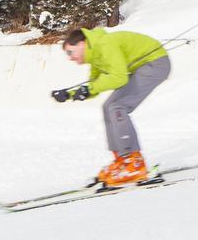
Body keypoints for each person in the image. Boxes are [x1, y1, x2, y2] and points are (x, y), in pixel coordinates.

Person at [53, 26, 171, 186]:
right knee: (108, 106)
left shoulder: (105, 44)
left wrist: (89, 89)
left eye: (70, 52)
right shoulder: (95, 56)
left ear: (82, 43)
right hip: (143, 66)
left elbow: (119, 78)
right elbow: (93, 85)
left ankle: (133, 163)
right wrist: (70, 94)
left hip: (155, 63)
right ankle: (122, 160)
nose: (70, 58)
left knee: (117, 106)